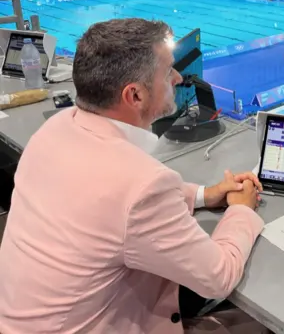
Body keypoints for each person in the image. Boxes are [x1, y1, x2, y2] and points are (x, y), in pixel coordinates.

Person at [0, 19, 265, 334]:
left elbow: (109, 202)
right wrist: (241, 209)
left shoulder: (53, 130)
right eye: (168, 72)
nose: (179, 78)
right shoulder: (141, 185)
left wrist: (204, 195)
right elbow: (218, 276)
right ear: (135, 95)